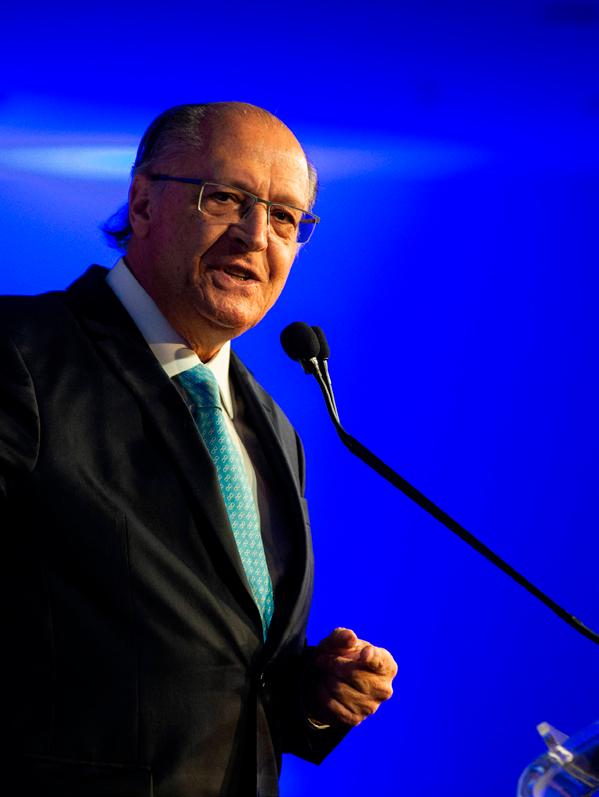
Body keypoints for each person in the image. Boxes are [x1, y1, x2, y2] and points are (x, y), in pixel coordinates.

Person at [0, 102, 397, 797]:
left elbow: (220, 669)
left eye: (284, 217)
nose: (255, 236)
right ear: (143, 202)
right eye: (226, 199)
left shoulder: (271, 427)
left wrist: (311, 693)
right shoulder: (22, 354)